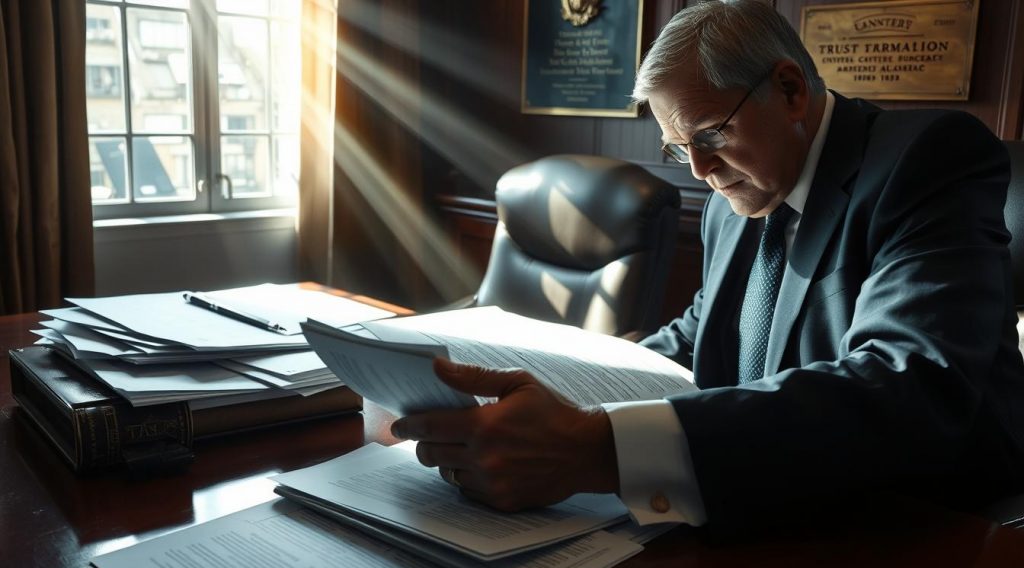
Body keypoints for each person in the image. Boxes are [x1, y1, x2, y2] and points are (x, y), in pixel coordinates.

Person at [390, 0, 1024, 532]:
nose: (699, 171)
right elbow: (699, 336)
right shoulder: (734, 199)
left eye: (711, 135)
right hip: (764, 501)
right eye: (677, 147)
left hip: (925, 523)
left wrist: (601, 449)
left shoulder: (925, 160)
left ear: (790, 89)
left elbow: (907, 384)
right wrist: (569, 382)